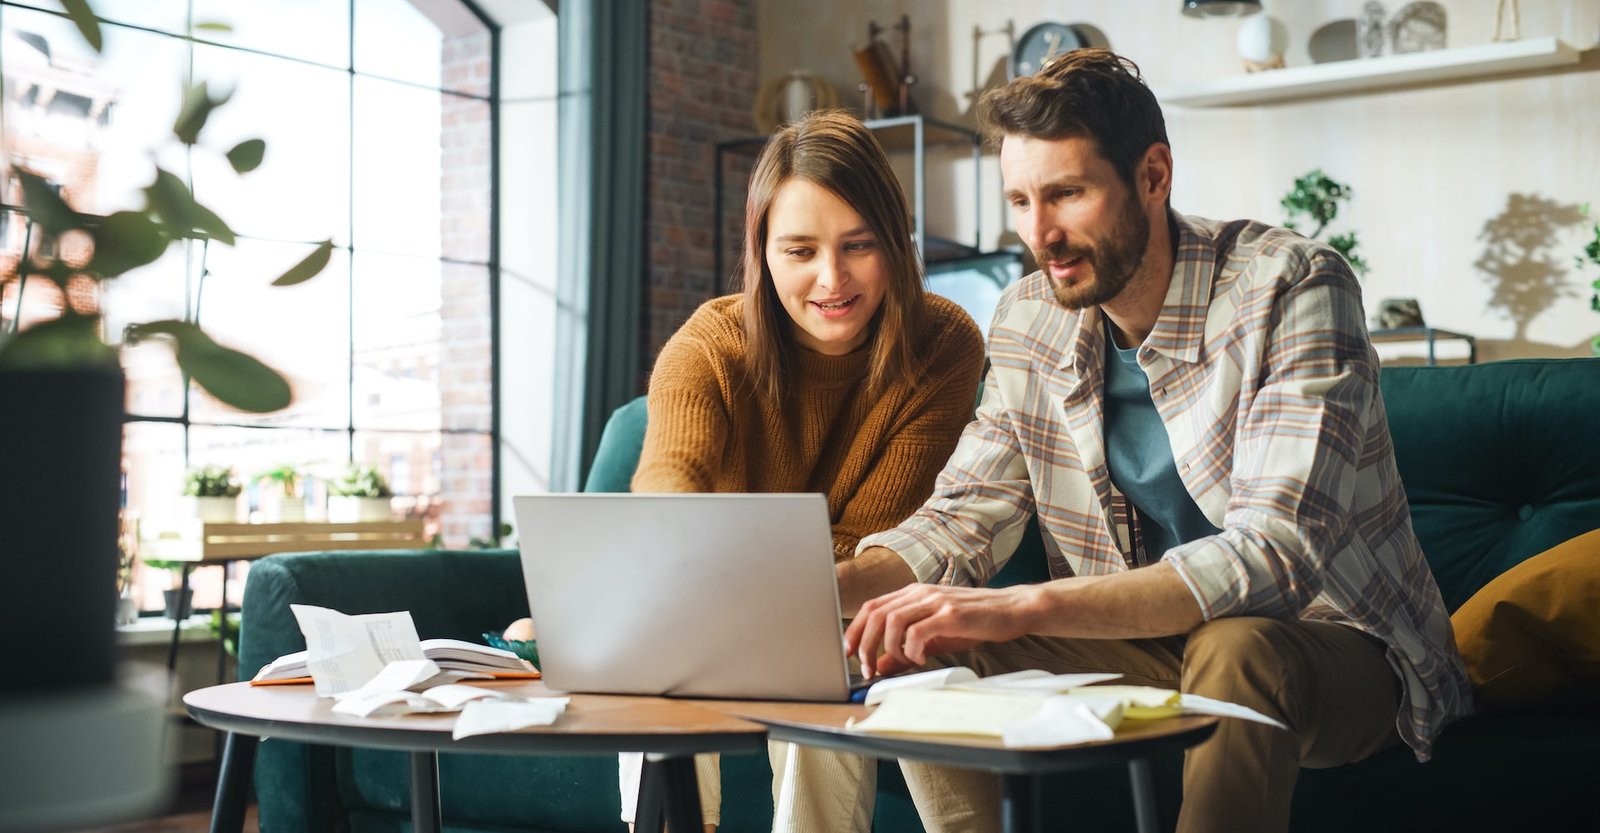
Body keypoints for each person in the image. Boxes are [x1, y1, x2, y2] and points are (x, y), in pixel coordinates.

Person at [834, 49, 1472, 833]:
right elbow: (963, 516)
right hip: (1142, 642)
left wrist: (1020, 604)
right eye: (1022, 201)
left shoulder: (1293, 284)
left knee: (1238, 648)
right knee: (916, 645)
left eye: (1067, 193)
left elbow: (1274, 554)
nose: (1042, 234)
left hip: (1333, 643)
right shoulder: (1028, 318)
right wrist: (806, 597)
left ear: (1153, 175)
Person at [509, 109, 985, 832]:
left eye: (859, 245)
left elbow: (879, 546)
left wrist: (742, 587)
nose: (832, 278)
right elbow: (664, 510)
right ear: (761, 251)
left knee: (820, 671)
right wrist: (702, 589)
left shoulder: (943, 343)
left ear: (895, 241)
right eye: (800, 250)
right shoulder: (711, 345)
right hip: (702, 614)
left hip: (850, 610)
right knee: (664, 661)